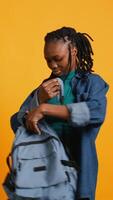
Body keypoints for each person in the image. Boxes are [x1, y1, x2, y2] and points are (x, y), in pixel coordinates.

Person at [10, 27, 109, 200]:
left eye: (58, 59)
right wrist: (38, 100)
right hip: (43, 174)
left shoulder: (92, 83)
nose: (53, 65)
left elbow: (96, 112)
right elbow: (17, 122)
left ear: (73, 51)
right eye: (48, 60)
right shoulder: (43, 88)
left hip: (79, 173)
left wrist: (44, 109)